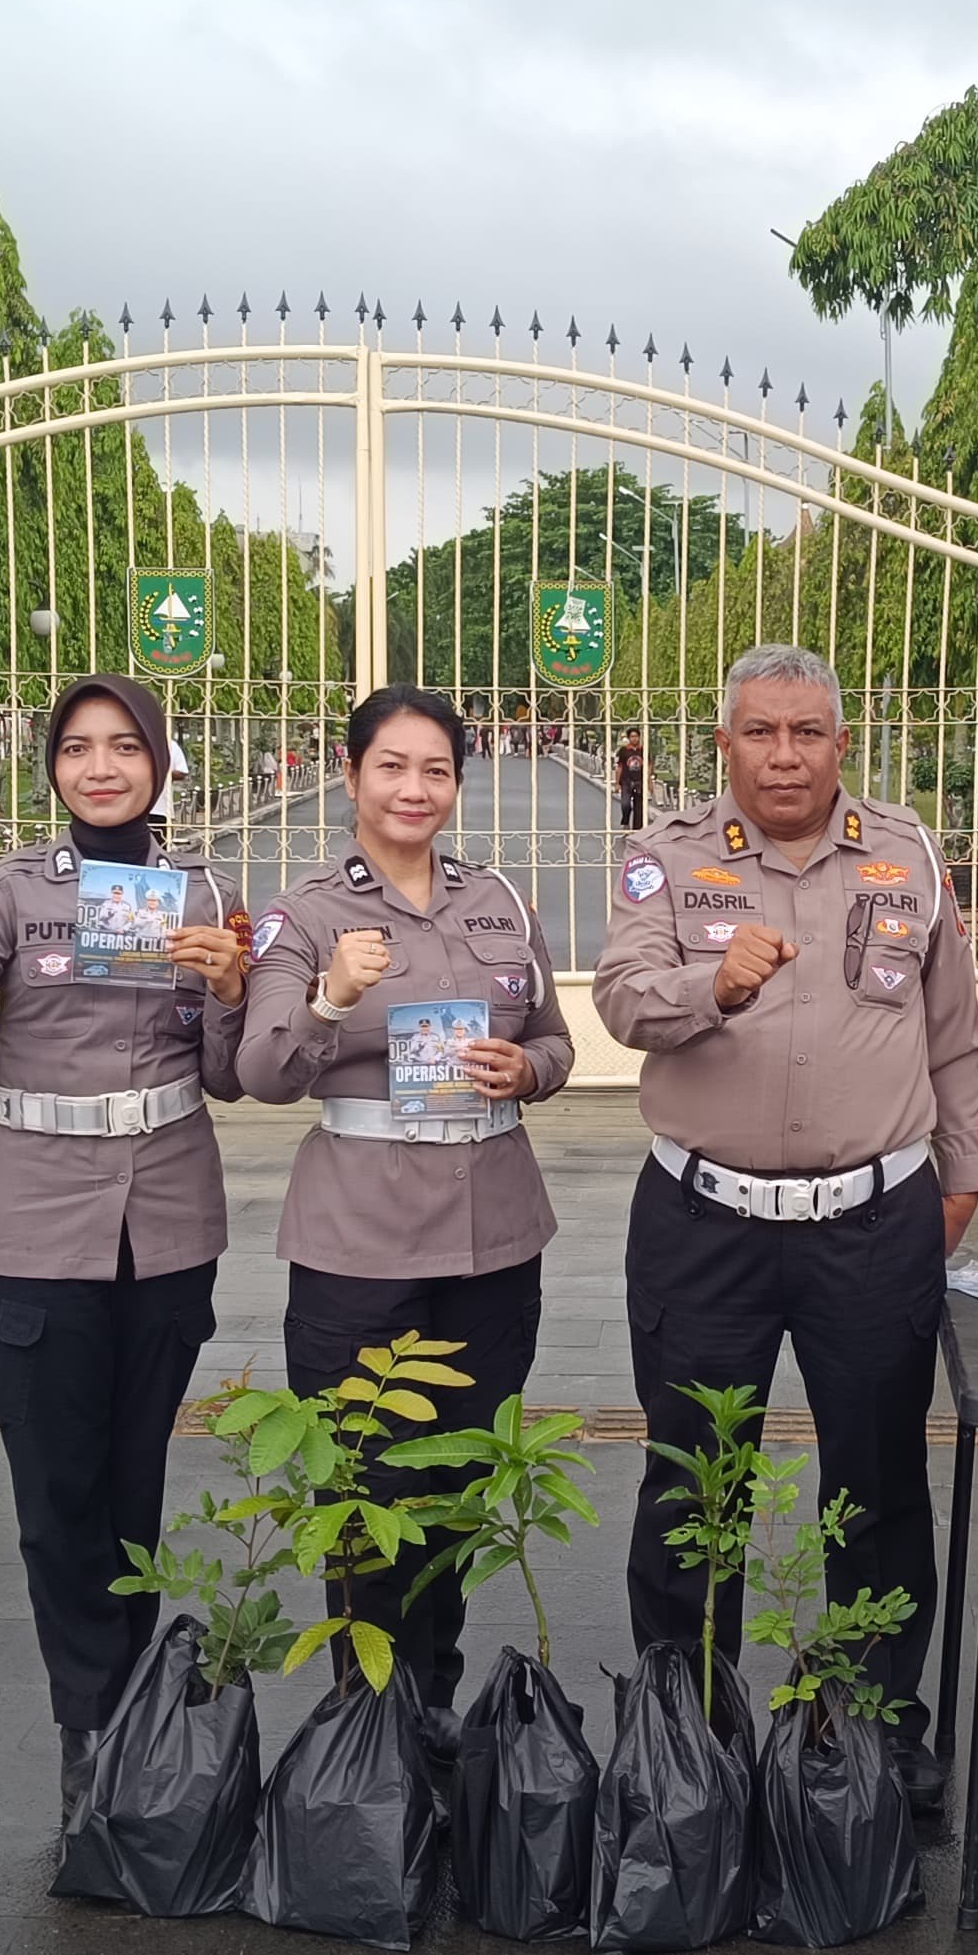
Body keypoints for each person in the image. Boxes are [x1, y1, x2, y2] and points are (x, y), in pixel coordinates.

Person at [594, 644, 978, 1811]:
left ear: (839, 741)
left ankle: (871, 1721)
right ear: (725, 745)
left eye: (806, 732)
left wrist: (960, 1176)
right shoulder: (666, 858)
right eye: (759, 732)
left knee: (874, 1483)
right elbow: (622, 1001)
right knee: (690, 1487)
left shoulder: (907, 855)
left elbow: (955, 1033)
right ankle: (688, 1730)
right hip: (702, 1220)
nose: (783, 755)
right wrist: (710, 990)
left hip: (873, 1223)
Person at [0, 673, 249, 1811]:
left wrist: (232, 987)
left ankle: (137, 1697)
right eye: (78, 748)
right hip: (40, 1224)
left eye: (125, 746)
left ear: (162, 762)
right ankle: (85, 1720)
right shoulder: (4, 896)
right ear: (52, 767)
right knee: (58, 1491)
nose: (101, 767)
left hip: (169, 1220)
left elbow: (233, 1076)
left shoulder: (207, 891)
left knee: (135, 1479)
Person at [237, 684, 572, 1710]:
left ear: (457, 784)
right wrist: (332, 995)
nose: (413, 788)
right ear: (350, 774)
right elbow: (261, 1068)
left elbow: (555, 1038)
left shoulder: (500, 901)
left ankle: (432, 1697)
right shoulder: (304, 914)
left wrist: (530, 1071)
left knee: (461, 1494)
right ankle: (370, 1725)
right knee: (365, 1497)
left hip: (493, 1239)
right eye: (391, 765)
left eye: (435, 769)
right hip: (360, 1250)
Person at [616, 727, 646, 831]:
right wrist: (617, 783)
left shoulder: (643, 750)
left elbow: (649, 764)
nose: (634, 739)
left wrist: (649, 781)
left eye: (636, 736)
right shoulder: (624, 751)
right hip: (626, 781)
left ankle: (637, 829)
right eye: (632, 737)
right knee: (625, 804)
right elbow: (619, 767)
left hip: (639, 781)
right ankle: (625, 821)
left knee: (639, 806)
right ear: (629, 738)